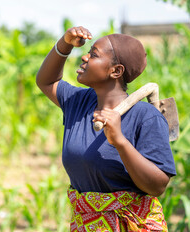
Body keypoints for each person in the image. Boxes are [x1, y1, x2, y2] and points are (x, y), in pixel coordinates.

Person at [36, 26, 176, 232]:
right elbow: (46, 81)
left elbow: (157, 186)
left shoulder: (146, 116)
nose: (84, 57)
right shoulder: (78, 102)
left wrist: (120, 141)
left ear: (116, 71)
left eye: (93, 55)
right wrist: (65, 43)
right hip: (87, 224)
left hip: (133, 225)